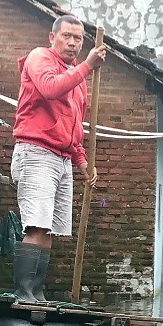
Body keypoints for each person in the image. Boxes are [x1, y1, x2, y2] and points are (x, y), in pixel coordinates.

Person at [10, 15, 106, 302]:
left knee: (49, 229)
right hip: (37, 151)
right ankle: (24, 292)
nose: (73, 43)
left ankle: (37, 293)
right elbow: (51, 88)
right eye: (67, 36)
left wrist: (82, 162)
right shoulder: (39, 58)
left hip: (63, 158)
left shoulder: (77, 79)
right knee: (37, 224)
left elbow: (73, 126)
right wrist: (88, 66)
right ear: (53, 37)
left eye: (78, 38)